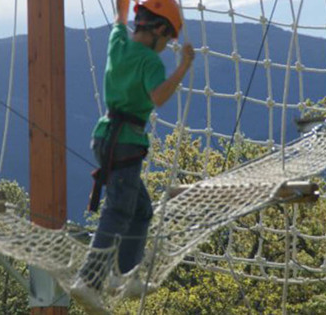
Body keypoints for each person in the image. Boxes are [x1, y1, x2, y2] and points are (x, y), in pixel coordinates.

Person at [71, 0, 194, 309]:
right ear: (159, 30)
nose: (166, 46)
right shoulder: (150, 62)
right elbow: (159, 97)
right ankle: (89, 279)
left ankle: (125, 274)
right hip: (126, 142)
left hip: (104, 137)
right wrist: (183, 67)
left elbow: (118, 17)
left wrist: (123, 6)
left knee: (140, 210)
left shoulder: (119, 43)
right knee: (119, 211)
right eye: (167, 40)